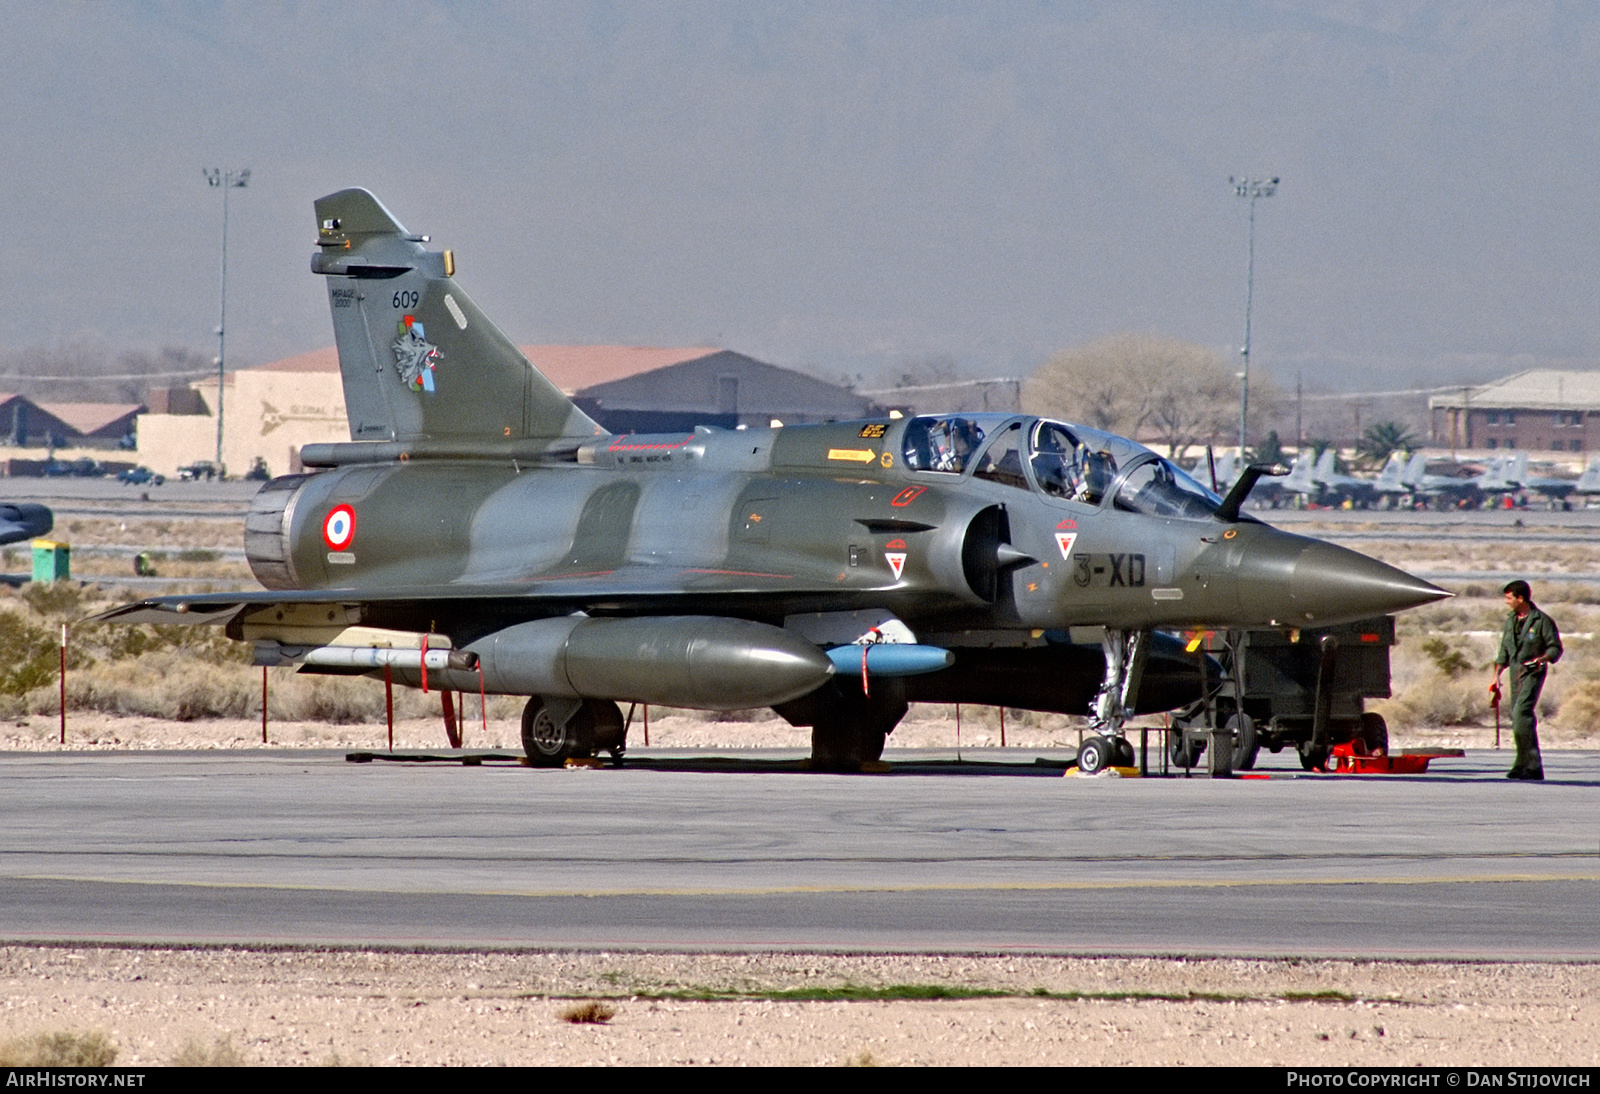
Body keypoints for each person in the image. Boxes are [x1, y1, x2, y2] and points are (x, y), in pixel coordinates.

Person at [1489, 579, 1561, 781]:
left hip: (1533, 672)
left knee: (1522, 714)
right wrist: (1496, 675)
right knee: (1517, 719)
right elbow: (1504, 649)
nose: (1507, 602)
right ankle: (1521, 764)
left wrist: (1543, 658)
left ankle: (1533, 766)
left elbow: (1555, 647)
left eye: (1509, 598)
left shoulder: (1542, 621)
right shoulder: (1511, 621)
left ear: (1521, 598)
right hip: (1515, 673)